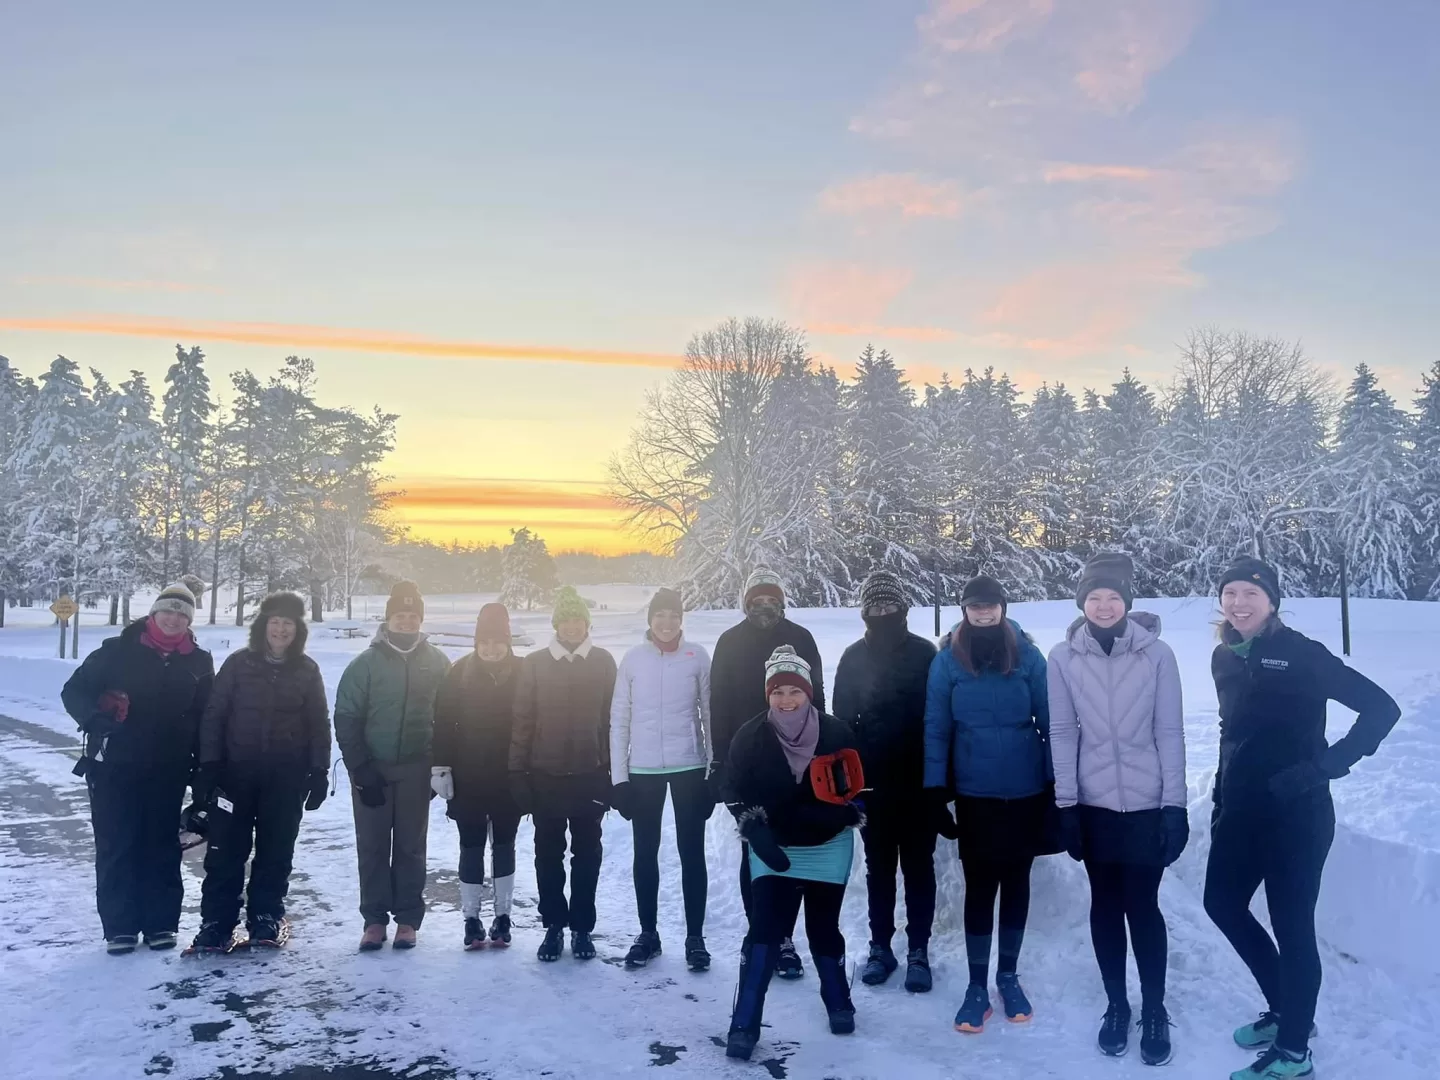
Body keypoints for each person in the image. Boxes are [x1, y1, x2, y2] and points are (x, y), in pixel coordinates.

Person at [1205, 557, 1400, 1080]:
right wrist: (1222, 798)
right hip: (1242, 811)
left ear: (1272, 601)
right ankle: (1287, 1012)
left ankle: (1294, 1053)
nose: (1239, 603)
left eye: (1251, 593)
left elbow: (1382, 707)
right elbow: (1231, 733)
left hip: (1298, 814)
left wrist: (1325, 767)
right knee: (1220, 903)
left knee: (1293, 929)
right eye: (1231, 593)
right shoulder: (1224, 656)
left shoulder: (1302, 655)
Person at [1048, 551, 1188, 1066]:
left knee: (1143, 905)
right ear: (1082, 602)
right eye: (1094, 597)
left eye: (1113, 597)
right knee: (1104, 904)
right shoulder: (1062, 658)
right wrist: (1066, 806)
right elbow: (1062, 732)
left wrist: (1175, 807)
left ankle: (1154, 1007)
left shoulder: (1158, 655)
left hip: (1148, 803)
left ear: (1127, 602)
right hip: (1094, 803)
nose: (1103, 606)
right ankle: (1116, 1005)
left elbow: (1169, 732)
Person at [924, 575, 1051, 1032]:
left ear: (1002, 606)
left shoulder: (1028, 655)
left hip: (1025, 789)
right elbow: (936, 728)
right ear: (963, 609)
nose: (983, 612)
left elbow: (1052, 721)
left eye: (990, 605)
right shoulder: (947, 662)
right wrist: (936, 791)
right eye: (974, 606)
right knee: (980, 886)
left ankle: (1008, 976)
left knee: (1017, 881)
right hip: (975, 793)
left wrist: (1057, 785)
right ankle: (977, 985)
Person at [723, 647, 863, 1061]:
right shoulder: (750, 735)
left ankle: (838, 1000)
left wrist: (837, 818)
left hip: (828, 846)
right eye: (778, 691)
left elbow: (860, 789)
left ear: (809, 693)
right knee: (765, 931)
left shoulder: (836, 732)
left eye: (794, 691)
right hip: (774, 847)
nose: (786, 699)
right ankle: (744, 1022)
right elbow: (731, 790)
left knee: (823, 927)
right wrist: (753, 830)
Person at [62, 584, 215, 954]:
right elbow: (74, 691)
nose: (173, 618)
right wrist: (95, 719)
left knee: (162, 846)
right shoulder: (116, 651)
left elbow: (206, 716)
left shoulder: (199, 660)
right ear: (153, 614)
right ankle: (120, 927)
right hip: (114, 766)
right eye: (168, 611)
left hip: (169, 769)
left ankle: (161, 924)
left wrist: (204, 764)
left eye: (182, 614)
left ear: (189, 620)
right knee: (118, 844)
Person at [188, 591, 330, 952]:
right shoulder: (239, 665)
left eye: (289, 623)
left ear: (298, 630)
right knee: (226, 852)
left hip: (285, 779)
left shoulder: (307, 670)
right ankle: (216, 924)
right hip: (235, 778)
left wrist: (318, 770)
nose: (281, 629)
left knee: (275, 851)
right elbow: (214, 716)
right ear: (263, 626)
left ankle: (265, 917)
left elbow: (318, 723)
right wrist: (209, 766)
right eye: (275, 622)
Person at [709, 567, 825, 978]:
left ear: (782, 601)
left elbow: (819, 700)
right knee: (753, 850)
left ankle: (786, 938)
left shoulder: (802, 639)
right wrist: (720, 762)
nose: (764, 606)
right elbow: (717, 706)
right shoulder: (729, 643)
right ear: (746, 603)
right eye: (756, 600)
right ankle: (760, 930)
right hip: (747, 764)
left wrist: (822, 756)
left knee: (788, 850)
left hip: (797, 763)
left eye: (771, 599)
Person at [833, 570, 937, 993]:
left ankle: (918, 951)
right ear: (865, 613)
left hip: (917, 783)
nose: (883, 613)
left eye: (890, 605)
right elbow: (840, 728)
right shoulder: (853, 657)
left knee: (918, 868)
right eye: (875, 607)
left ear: (903, 608)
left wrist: (939, 783)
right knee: (879, 871)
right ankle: (881, 947)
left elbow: (940, 720)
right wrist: (848, 790)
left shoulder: (925, 654)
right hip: (872, 786)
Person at [334, 581, 451, 951]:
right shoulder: (365, 664)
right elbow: (346, 717)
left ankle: (407, 919)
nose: (406, 622)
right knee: (372, 845)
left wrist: (439, 766)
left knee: (410, 846)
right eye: (399, 615)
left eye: (412, 616)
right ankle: (373, 919)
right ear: (388, 619)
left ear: (420, 620)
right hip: (373, 768)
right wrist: (359, 767)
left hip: (418, 767)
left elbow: (450, 717)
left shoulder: (437, 662)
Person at [509, 585, 617, 963]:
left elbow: (613, 721)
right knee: (548, 855)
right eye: (566, 621)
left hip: (590, 774)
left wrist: (614, 774)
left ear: (587, 625)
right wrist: (517, 772)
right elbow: (522, 720)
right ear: (556, 625)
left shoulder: (603, 661)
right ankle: (553, 926)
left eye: (579, 621)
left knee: (587, 855)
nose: (573, 628)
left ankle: (582, 928)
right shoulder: (536, 663)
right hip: (546, 776)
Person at [610, 588, 714, 972]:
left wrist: (711, 770)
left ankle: (695, 938)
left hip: (688, 766)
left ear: (681, 619)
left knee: (692, 853)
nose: (666, 623)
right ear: (649, 619)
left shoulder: (697, 656)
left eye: (673, 615)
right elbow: (619, 719)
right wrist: (619, 779)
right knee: (645, 852)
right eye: (660, 616)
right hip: (644, 769)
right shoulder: (633, 659)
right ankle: (648, 933)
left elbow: (710, 715)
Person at [432, 603, 522, 950]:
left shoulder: (523, 672)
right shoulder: (458, 674)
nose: (491, 648)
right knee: (470, 845)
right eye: (485, 641)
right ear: (476, 642)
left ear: (508, 641)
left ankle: (503, 916)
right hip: (467, 776)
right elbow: (442, 723)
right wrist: (440, 767)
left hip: (508, 777)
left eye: (498, 641)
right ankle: (471, 918)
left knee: (504, 844)